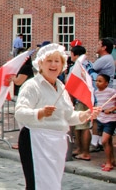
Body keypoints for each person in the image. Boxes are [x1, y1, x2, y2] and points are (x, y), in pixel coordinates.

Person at [15, 43, 98, 190]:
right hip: (36, 141)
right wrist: (39, 113)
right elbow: (20, 113)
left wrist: (84, 115)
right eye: (49, 61)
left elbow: (67, 116)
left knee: (52, 184)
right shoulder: (32, 85)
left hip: (57, 144)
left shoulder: (61, 87)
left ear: (62, 64)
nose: (53, 65)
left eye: (57, 61)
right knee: (38, 184)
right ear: (40, 63)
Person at [70, 45, 93, 161]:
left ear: (76, 55)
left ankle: (84, 151)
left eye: (71, 53)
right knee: (82, 125)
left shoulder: (76, 67)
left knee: (81, 126)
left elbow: (71, 85)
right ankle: (80, 149)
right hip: (88, 98)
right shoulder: (90, 64)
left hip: (80, 98)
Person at [94, 73, 116, 171]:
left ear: (106, 83)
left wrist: (112, 108)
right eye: (96, 81)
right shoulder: (96, 92)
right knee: (109, 141)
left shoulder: (111, 92)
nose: (97, 83)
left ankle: (108, 163)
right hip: (100, 118)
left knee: (104, 141)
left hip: (110, 119)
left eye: (100, 81)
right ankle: (111, 160)